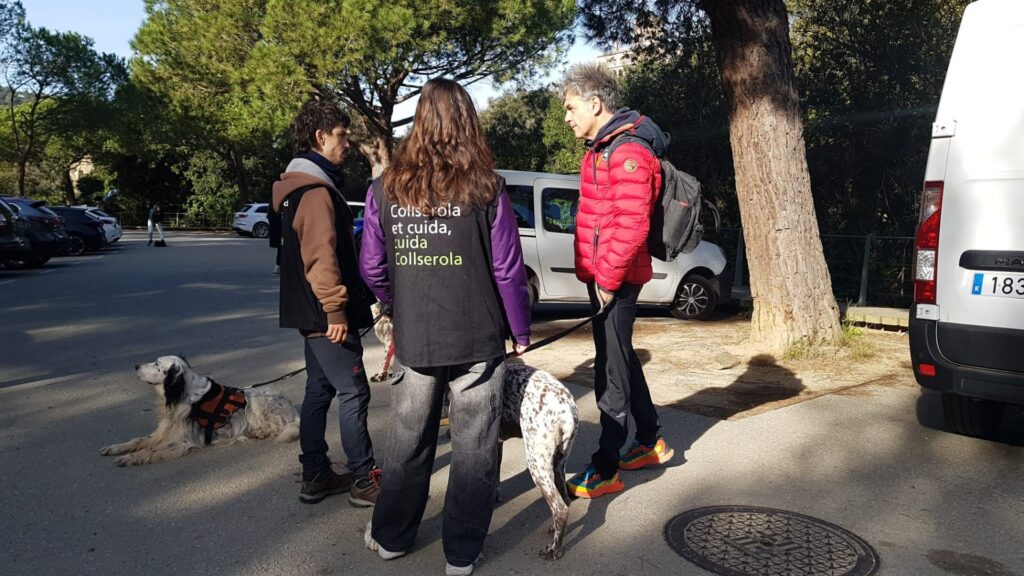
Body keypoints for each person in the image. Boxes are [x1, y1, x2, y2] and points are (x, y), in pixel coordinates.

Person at [359, 78, 530, 576]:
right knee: (476, 447)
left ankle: (391, 538)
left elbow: (372, 267)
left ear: (419, 121)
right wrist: (519, 329)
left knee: (408, 443)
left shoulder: (385, 189)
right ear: (467, 122)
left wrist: (396, 304)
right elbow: (507, 269)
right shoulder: (488, 187)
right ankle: (461, 552)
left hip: (417, 338)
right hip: (478, 336)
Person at [560, 63, 675, 499]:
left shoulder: (627, 152)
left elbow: (631, 224)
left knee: (610, 370)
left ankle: (606, 467)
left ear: (595, 103)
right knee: (621, 357)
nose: (567, 117)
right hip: (608, 275)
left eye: (571, 108)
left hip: (617, 278)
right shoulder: (603, 146)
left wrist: (606, 280)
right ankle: (648, 441)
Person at [272, 100, 381, 507]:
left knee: (319, 390)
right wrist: (336, 310)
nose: (347, 142)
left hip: (307, 312)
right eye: (341, 134)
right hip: (326, 314)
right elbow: (321, 257)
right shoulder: (316, 192)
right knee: (354, 392)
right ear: (320, 137)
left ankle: (315, 475)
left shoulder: (295, 186)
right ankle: (364, 480)